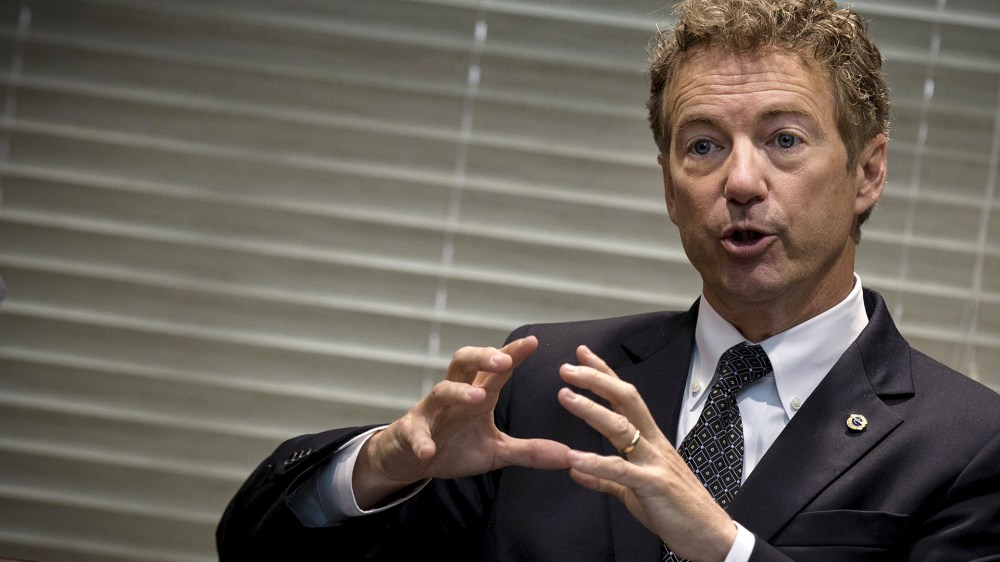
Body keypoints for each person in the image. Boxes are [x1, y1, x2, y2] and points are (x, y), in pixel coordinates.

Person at [216, 0, 1000, 560]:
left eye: (784, 139)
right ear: (668, 188)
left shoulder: (969, 445)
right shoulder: (544, 384)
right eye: (702, 146)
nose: (741, 181)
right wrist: (388, 464)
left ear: (867, 172)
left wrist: (725, 550)